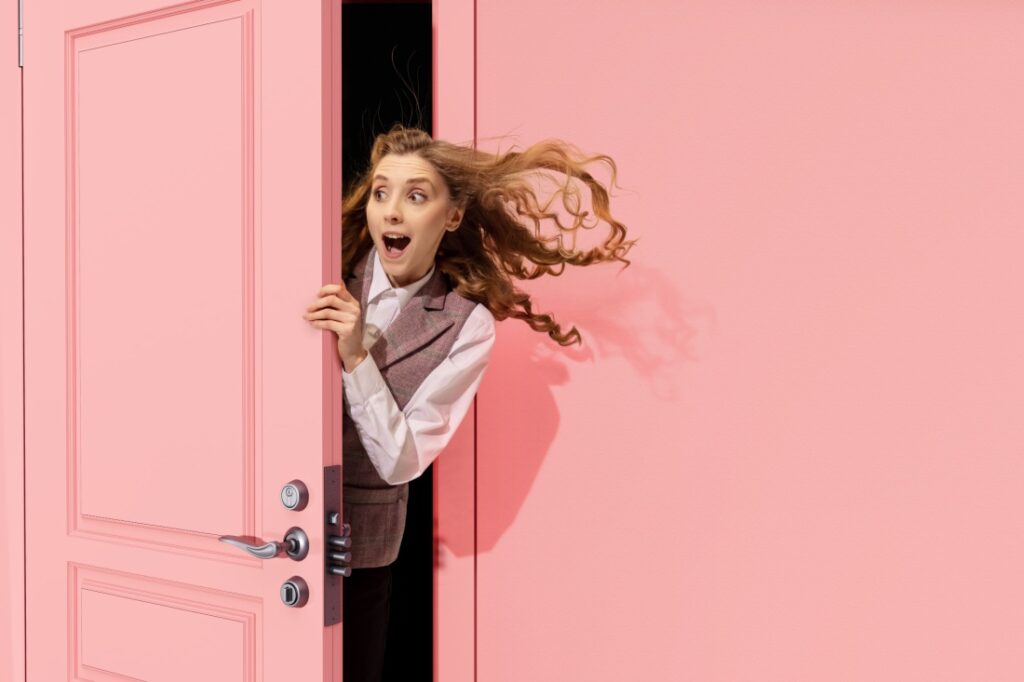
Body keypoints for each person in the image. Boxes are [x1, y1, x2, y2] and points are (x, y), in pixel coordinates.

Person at [302, 124, 637, 681]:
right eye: (381, 193)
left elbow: (400, 461)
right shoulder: (324, 270)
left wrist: (357, 356)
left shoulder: (468, 324)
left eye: (416, 196)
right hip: (283, 518)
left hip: (361, 551)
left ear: (452, 216)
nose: (391, 213)